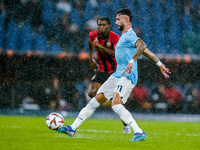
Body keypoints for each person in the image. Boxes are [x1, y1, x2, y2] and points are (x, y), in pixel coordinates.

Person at [57, 8, 171, 141]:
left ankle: (139, 132)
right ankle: (72, 128)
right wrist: (159, 64)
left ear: (126, 20)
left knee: (116, 105)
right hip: (117, 74)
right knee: (96, 100)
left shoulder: (130, 35)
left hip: (127, 76)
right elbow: (146, 51)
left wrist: (132, 61)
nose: (116, 22)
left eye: (118, 19)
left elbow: (141, 46)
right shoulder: (125, 37)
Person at [87, 16, 131, 133]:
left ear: (109, 26)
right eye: (99, 25)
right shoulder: (93, 35)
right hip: (102, 70)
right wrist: (91, 58)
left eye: (104, 25)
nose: (101, 27)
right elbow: (90, 43)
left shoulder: (115, 37)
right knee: (91, 92)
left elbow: (116, 54)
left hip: (115, 71)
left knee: (116, 102)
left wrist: (101, 47)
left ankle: (126, 123)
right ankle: (109, 97)